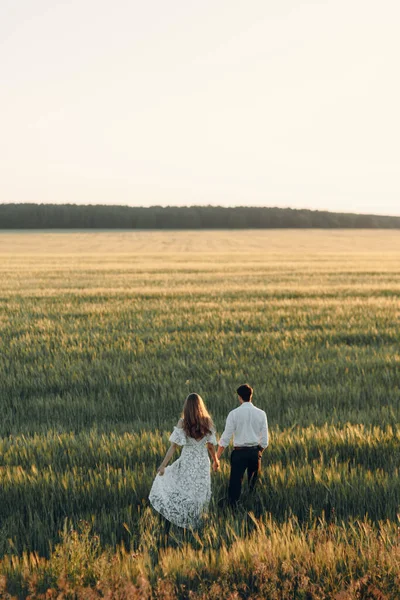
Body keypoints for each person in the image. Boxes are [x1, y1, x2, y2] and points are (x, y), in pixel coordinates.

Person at [149, 393, 219, 529]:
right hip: (202, 463)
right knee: (200, 491)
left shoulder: (183, 422)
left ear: (187, 407)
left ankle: (182, 520)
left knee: (184, 489)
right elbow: (211, 446)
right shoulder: (207, 422)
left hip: (187, 461)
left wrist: (163, 466)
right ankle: (198, 522)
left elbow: (174, 446)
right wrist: (216, 460)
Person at [216, 384, 268, 505]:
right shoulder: (261, 413)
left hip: (239, 453)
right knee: (253, 486)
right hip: (255, 452)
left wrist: (216, 458)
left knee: (235, 485)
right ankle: (252, 509)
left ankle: (233, 510)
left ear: (239, 397)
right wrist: (258, 452)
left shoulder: (233, 414)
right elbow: (265, 440)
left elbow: (225, 438)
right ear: (251, 395)